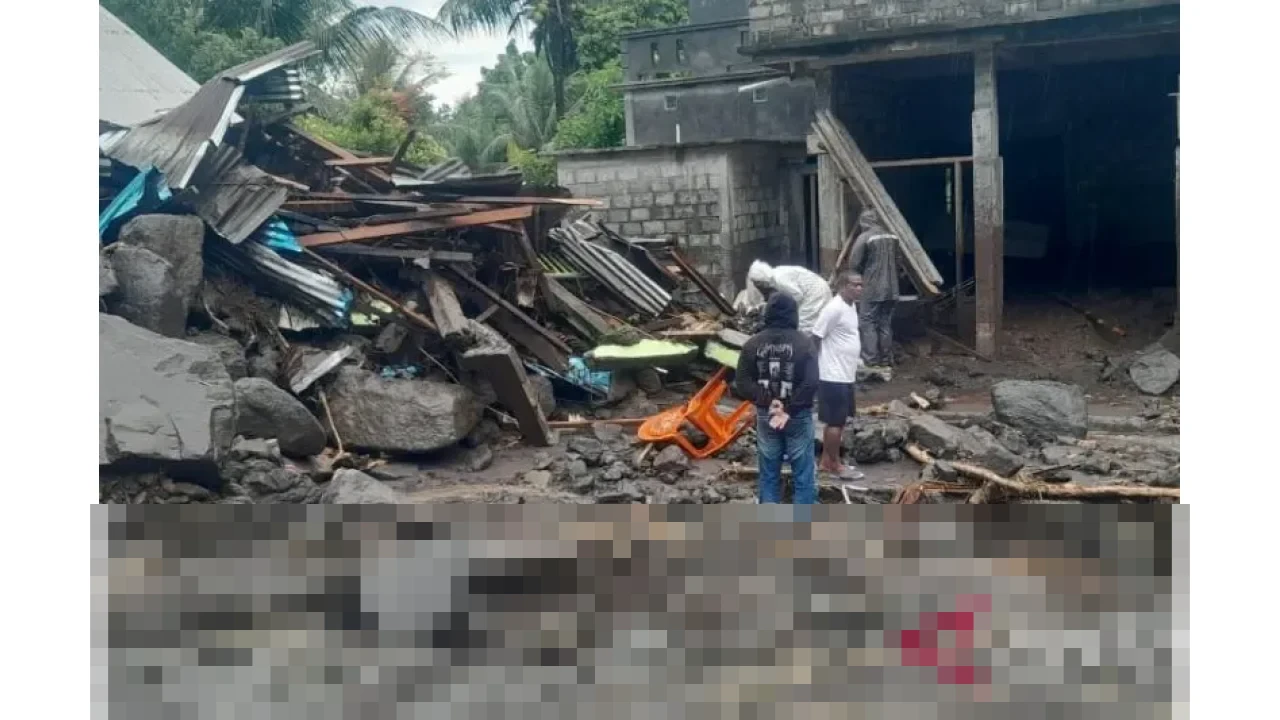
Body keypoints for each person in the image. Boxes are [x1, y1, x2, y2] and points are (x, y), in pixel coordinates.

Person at [734, 293, 819, 504]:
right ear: (794, 314)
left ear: (767, 313)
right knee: (803, 474)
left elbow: (742, 382)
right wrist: (787, 408)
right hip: (797, 416)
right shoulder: (804, 343)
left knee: (769, 474)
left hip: (767, 415)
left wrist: (766, 401)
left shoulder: (752, 344)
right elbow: (811, 383)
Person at [811, 272, 866, 480]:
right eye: (855, 285)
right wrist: (813, 369)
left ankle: (826, 461)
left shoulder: (851, 306)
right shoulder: (833, 309)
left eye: (861, 285)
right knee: (835, 422)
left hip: (845, 374)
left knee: (839, 422)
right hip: (832, 375)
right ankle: (835, 465)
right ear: (843, 286)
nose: (859, 289)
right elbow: (816, 337)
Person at [848, 208, 899, 367]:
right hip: (893, 288)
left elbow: (854, 263)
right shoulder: (893, 237)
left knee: (867, 322)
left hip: (873, 289)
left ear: (865, 222)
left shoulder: (865, 237)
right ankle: (886, 360)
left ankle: (871, 360)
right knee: (884, 323)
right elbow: (899, 262)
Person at [745, 260, 832, 334]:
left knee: (803, 326)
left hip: (815, 293)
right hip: (815, 290)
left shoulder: (779, 280)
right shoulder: (775, 275)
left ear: (761, 282)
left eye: (757, 283)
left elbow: (797, 296)